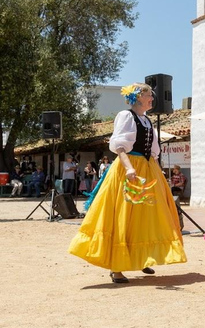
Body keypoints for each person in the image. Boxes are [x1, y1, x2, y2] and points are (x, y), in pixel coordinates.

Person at [69, 83, 187, 283]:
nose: (152, 98)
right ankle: (117, 268)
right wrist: (129, 168)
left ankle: (143, 257)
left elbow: (153, 151)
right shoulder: (126, 116)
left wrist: (158, 174)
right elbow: (120, 148)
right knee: (123, 215)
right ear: (139, 96)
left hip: (148, 169)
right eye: (150, 95)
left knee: (147, 215)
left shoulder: (147, 121)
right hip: (129, 168)